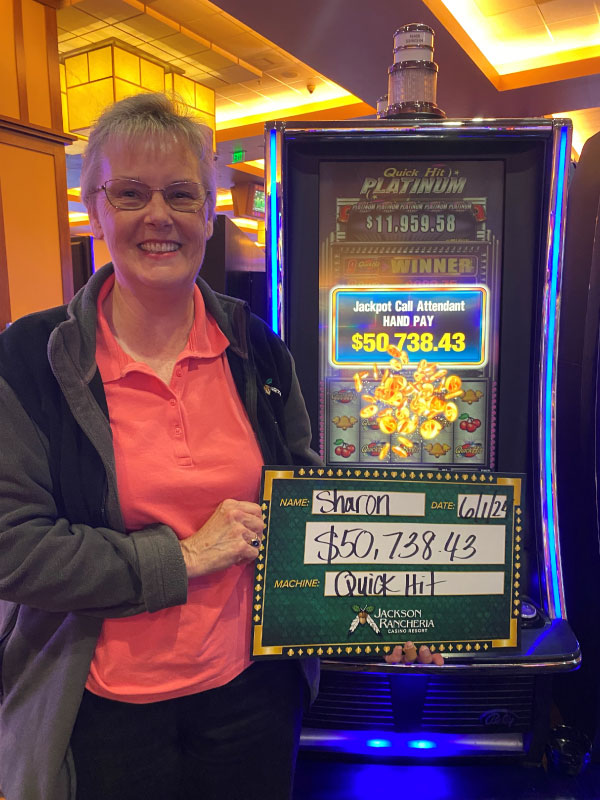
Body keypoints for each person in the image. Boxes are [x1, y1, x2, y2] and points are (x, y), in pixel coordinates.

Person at [0, 92, 321, 800]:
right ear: (96, 208)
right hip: (99, 707)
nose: (158, 216)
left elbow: (308, 506)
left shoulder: (259, 351)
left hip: (254, 691)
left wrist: (384, 609)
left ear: (209, 214)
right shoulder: (29, 356)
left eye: (181, 194)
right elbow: (12, 547)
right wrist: (183, 557)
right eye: (131, 193)